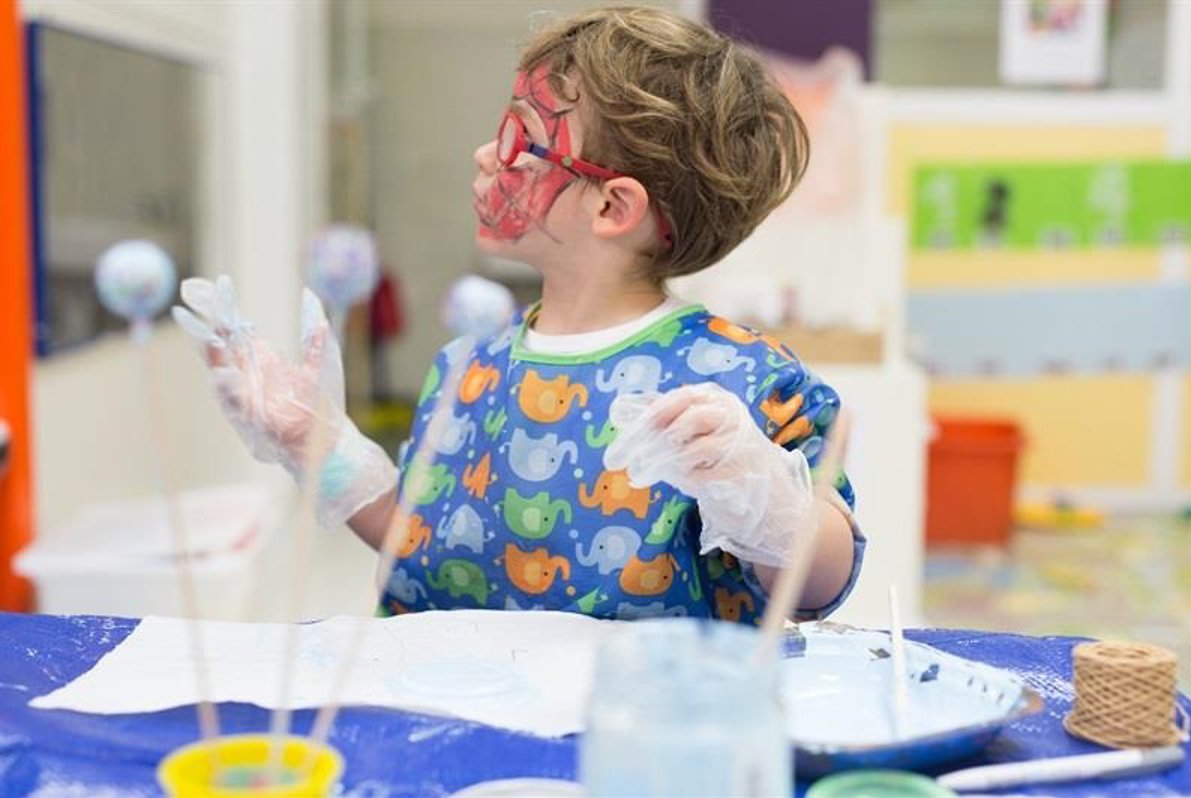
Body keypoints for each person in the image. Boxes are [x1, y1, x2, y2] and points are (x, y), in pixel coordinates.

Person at [175, 6, 865, 624]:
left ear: (611, 207)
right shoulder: (469, 363)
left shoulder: (741, 382)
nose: (485, 155)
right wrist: (320, 445)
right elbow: (419, 547)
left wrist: (762, 495)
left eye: (517, 139)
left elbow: (821, 584)